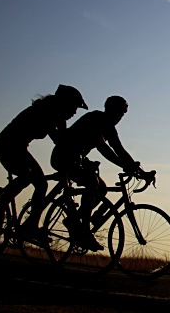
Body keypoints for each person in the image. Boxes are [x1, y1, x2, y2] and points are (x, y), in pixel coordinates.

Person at [0, 84, 88, 243]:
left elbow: (64, 139)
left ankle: (30, 225)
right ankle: (0, 208)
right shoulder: (46, 112)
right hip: (7, 145)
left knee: (40, 183)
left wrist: (81, 155)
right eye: (73, 108)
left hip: (19, 147)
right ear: (64, 104)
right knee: (30, 178)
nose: (75, 112)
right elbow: (58, 140)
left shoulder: (58, 117)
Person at [51, 95, 140, 251]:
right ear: (108, 110)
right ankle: (84, 230)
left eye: (122, 115)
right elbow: (103, 149)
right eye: (117, 113)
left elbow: (119, 150)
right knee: (93, 182)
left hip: (77, 158)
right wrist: (125, 166)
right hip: (64, 155)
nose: (118, 118)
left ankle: (74, 220)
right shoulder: (95, 119)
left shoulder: (110, 127)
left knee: (102, 188)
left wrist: (139, 170)